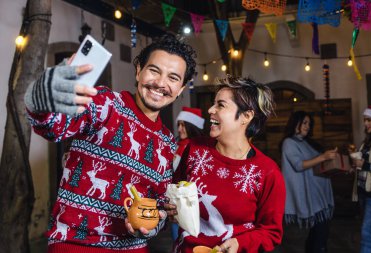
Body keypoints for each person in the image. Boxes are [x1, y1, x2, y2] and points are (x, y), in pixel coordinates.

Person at [24, 34, 196, 253]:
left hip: (134, 248)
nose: (161, 83)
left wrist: (151, 226)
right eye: (154, 70)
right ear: (138, 71)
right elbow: (52, 126)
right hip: (75, 245)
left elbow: (158, 205)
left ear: (180, 89)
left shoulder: (168, 143)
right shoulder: (105, 105)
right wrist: (40, 97)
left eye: (173, 78)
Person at [166, 76, 286, 253]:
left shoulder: (268, 172)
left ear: (246, 116)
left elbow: (271, 231)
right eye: (214, 103)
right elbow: (174, 191)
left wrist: (240, 243)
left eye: (220, 105)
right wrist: (170, 208)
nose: (210, 109)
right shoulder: (194, 149)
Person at [280, 111, 337, 253]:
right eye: (304, 123)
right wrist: (323, 157)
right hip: (310, 198)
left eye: (309, 124)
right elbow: (299, 165)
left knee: (318, 236)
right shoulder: (289, 143)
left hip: (319, 197)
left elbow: (317, 165)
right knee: (318, 237)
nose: (307, 126)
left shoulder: (307, 142)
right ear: (295, 123)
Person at [170, 106, 205, 241]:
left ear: (192, 126)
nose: (179, 129)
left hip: (190, 202)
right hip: (175, 199)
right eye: (179, 125)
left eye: (183, 125)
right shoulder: (177, 145)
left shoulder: (197, 148)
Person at [351, 105, 371, 253]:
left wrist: (365, 165)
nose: (365, 123)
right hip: (364, 192)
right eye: (364, 120)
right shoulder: (366, 142)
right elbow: (363, 166)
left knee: (366, 233)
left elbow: (370, 166)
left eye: (368, 120)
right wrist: (355, 165)